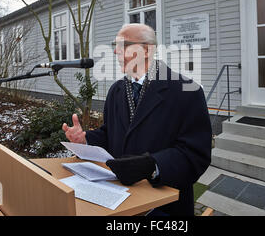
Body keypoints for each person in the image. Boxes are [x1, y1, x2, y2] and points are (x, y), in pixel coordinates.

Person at [62, 23, 212, 216]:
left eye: (123, 45)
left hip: (164, 208)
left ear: (147, 50)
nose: (116, 51)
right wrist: (85, 140)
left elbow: (195, 155)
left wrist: (152, 165)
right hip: (118, 200)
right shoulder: (116, 90)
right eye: (114, 45)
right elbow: (110, 133)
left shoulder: (187, 91)